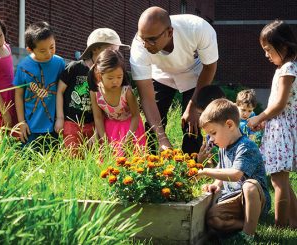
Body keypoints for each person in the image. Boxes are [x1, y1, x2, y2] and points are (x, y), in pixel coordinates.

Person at [130, 6, 218, 154]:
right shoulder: (139, 48)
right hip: (161, 72)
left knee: (192, 124)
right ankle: (153, 168)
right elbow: (147, 99)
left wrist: (193, 105)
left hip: (194, 72)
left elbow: (209, 68)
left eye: (151, 40)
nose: (145, 44)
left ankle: (192, 170)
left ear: (169, 32)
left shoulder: (198, 28)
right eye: (142, 38)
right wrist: (162, 139)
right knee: (153, 127)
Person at [198, 98, 271, 242]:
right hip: (233, 197)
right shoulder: (223, 147)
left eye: (213, 133)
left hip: (254, 198)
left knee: (249, 186)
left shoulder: (246, 146)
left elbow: (236, 174)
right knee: (213, 219)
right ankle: (248, 224)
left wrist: (205, 171)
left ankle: (248, 234)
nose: (211, 139)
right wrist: (216, 185)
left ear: (229, 124)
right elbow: (222, 170)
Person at [248, 20, 297, 228]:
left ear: (284, 47)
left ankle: (280, 226)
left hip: (282, 128)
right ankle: (294, 222)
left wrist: (260, 117)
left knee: (278, 181)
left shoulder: (288, 68)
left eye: (268, 50)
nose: (266, 55)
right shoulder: (284, 67)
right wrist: (265, 120)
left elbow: (279, 104)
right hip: (277, 126)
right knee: (282, 181)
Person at [55, 28, 129, 155]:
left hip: (94, 124)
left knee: (93, 157)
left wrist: (97, 132)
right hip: (71, 122)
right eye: (111, 51)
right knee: (72, 157)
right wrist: (60, 118)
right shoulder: (74, 68)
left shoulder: (108, 75)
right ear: (95, 49)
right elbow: (60, 91)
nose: (114, 56)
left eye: (117, 52)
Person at [13, 21, 65, 148]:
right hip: (30, 128)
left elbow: (62, 92)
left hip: (54, 128)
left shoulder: (59, 63)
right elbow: (18, 96)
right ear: (30, 49)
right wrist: (21, 122)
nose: (49, 53)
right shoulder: (23, 66)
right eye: (42, 50)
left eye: (52, 47)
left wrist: (61, 118)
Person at [89, 49, 146, 156]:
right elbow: (98, 117)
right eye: (110, 78)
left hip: (130, 129)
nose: (115, 81)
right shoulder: (95, 92)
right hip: (109, 129)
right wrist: (104, 141)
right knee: (109, 164)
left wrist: (128, 140)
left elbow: (136, 115)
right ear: (99, 74)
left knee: (132, 162)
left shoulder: (127, 92)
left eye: (119, 77)